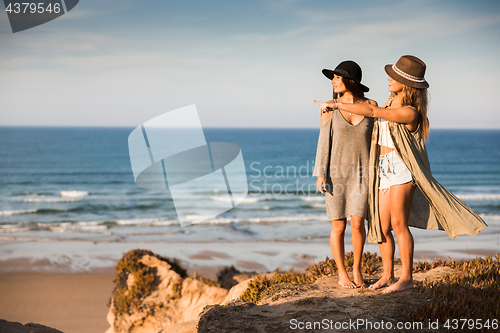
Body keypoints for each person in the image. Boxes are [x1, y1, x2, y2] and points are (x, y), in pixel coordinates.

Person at [314, 55, 487, 293]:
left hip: (401, 169)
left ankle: (406, 277)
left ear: (406, 84)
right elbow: (363, 119)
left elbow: (373, 113)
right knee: (383, 227)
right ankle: (387, 275)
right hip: (382, 169)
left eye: (393, 76)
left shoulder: (409, 112)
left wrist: (337, 104)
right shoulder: (390, 103)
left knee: (398, 224)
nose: (388, 78)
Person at [313, 60, 376, 288]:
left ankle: (357, 269)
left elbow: (378, 139)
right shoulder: (329, 106)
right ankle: (342, 273)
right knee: (338, 226)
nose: (333, 82)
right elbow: (323, 141)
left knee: (359, 223)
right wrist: (320, 173)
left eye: (337, 78)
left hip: (363, 172)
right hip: (335, 173)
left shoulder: (371, 105)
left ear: (350, 81)